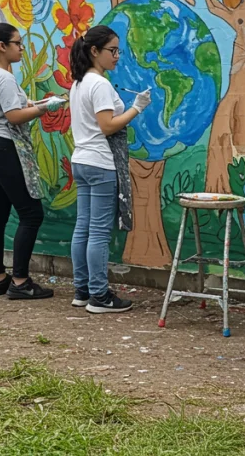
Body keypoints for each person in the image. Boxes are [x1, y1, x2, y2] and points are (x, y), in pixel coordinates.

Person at [0, 23, 63, 300]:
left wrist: (38, 102)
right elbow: (13, 116)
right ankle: (20, 281)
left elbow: (10, 107)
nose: (21, 48)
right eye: (17, 43)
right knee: (31, 214)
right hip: (3, 148)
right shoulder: (4, 77)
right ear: (2, 47)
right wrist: (45, 108)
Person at [69, 25, 149, 314]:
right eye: (112, 50)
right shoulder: (99, 84)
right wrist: (137, 107)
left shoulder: (79, 82)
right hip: (100, 163)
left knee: (84, 227)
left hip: (82, 159)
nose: (117, 56)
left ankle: (83, 289)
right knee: (99, 232)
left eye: (118, 50)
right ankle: (99, 296)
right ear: (94, 51)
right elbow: (107, 126)